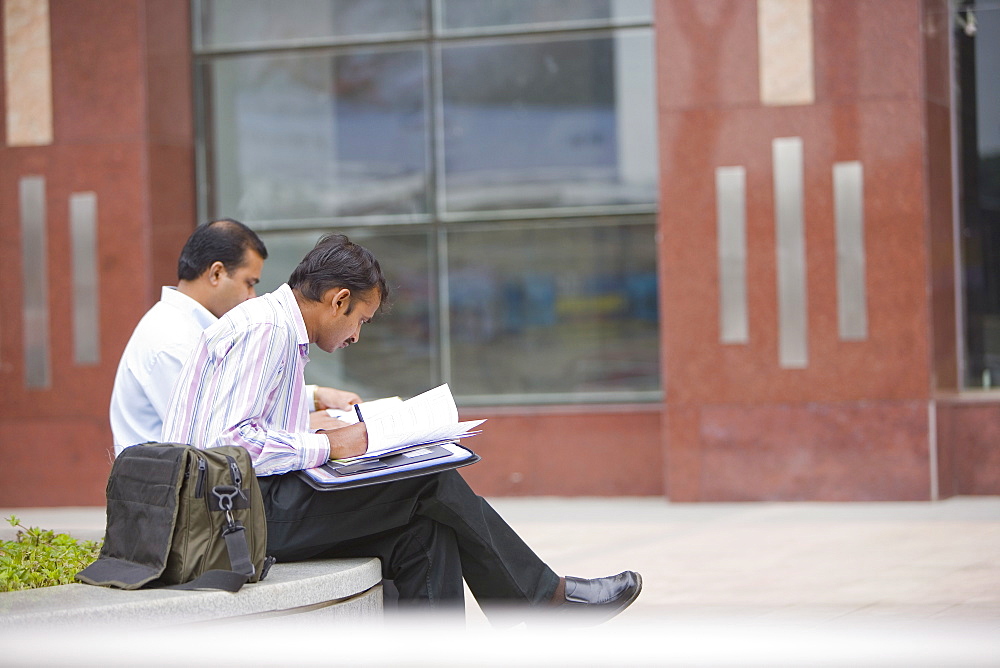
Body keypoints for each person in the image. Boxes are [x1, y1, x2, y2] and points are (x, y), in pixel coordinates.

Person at [161, 233, 642, 620]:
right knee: (430, 479)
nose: (356, 336)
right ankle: (542, 602)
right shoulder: (269, 330)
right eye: (361, 321)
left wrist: (332, 434)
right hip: (229, 519)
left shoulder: (276, 325)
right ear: (338, 300)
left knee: (424, 534)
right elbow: (227, 445)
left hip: (244, 507)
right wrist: (330, 446)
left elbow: (245, 428)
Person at [109, 219, 358, 455]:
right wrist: (302, 428)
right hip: (167, 491)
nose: (252, 295)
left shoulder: (185, 326)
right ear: (216, 273)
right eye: (249, 283)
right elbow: (211, 434)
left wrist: (314, 396)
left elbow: (236, 393)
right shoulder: (172, 340)